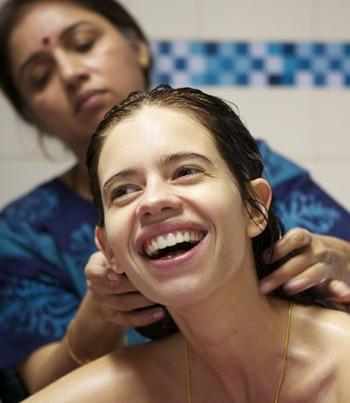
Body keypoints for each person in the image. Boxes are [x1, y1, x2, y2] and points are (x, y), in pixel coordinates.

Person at [0, 0, 350, 400]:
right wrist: (96, 319)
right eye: (40, 75)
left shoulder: (338, 363)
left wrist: (343, 261)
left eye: (186, 172)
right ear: (106, 247)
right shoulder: (23, 231)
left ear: (254, 204)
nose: (71, 73)